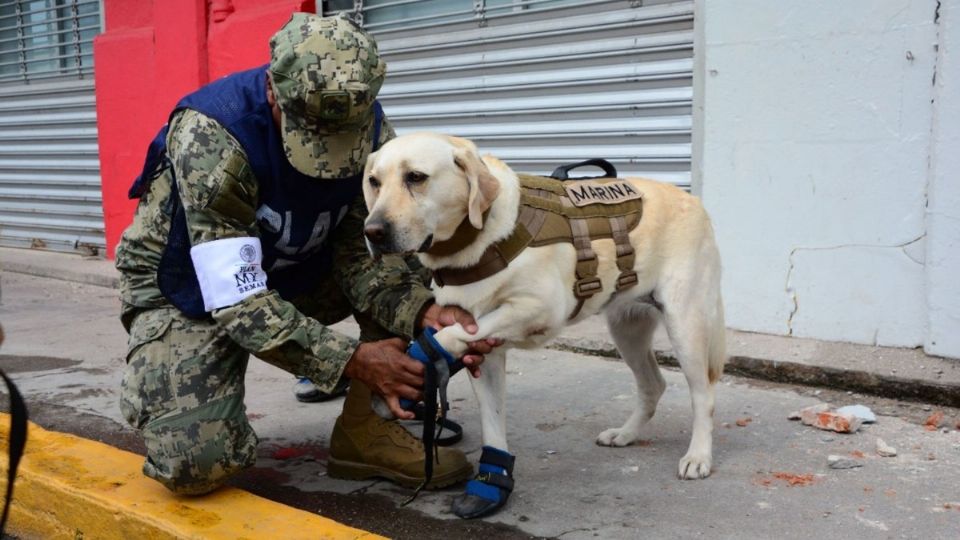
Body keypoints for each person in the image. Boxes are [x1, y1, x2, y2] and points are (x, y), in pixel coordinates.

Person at [115, 12, 496, 495]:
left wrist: (425, 312)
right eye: (313, 135)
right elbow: (235, 296)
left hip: (292, 275)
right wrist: (349, 359)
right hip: (186, 293)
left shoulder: (371, 127)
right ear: (274, 92)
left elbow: (365, 254)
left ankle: (365, 430)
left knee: (408, 251)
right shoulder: (214, 136)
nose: (332, 154)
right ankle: (188, 386)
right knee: (196, 464)